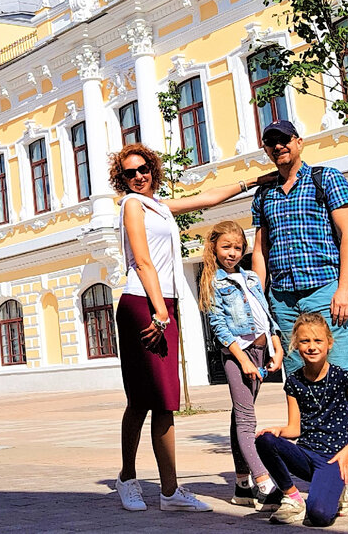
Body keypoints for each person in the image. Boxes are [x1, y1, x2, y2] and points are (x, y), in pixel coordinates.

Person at [111, 142, 273, 514]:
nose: (138, 177)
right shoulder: (131, 205)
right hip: (142, 305)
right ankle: (127, 478)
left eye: (142, 169)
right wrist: (159, 313)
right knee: (141, 400)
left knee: (165, 400)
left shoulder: (159, 206)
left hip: (163, 305)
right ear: (122, 179)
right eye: (129, 173)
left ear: (153, 168)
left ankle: (170, 493)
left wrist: (254, 182)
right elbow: (143, 262)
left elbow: (208, 199)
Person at [250, 119, 348, 507]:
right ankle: (319, 467)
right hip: (284, 301)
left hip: (326, 291)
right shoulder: (265, 194)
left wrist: (345, 287)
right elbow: (260, 251)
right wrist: (260, 302)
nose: (278, 147)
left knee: (344, 382)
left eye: (284, 139)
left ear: (299, 141)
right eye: (271, 142)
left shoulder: (327, 179)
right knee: (301, 390)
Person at [255, 312, 348, 526]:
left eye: (318, 340)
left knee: (319, 516)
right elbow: (295, 428)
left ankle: (337, 495)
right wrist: (278, 431)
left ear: (329, 343)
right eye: (305, 341)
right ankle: (292, 498)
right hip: (305, 454)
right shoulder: (294, 381)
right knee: (264, 439)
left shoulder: (343, 378)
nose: (312, 346)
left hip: (333, 459)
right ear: (296, 344)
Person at [198, 220, 285, 510]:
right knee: (247, 420)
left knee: (240, 416)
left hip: (261, 351)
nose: (232, 253)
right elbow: (220, 328)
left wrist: (276, 343)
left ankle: (241, 485)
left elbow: (264, 312)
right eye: (226, 247)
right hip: (239, 356)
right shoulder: (213, 282)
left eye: (237, 247)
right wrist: (243, 359)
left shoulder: (249, 278)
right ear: (214, 248)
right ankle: (264, 482)